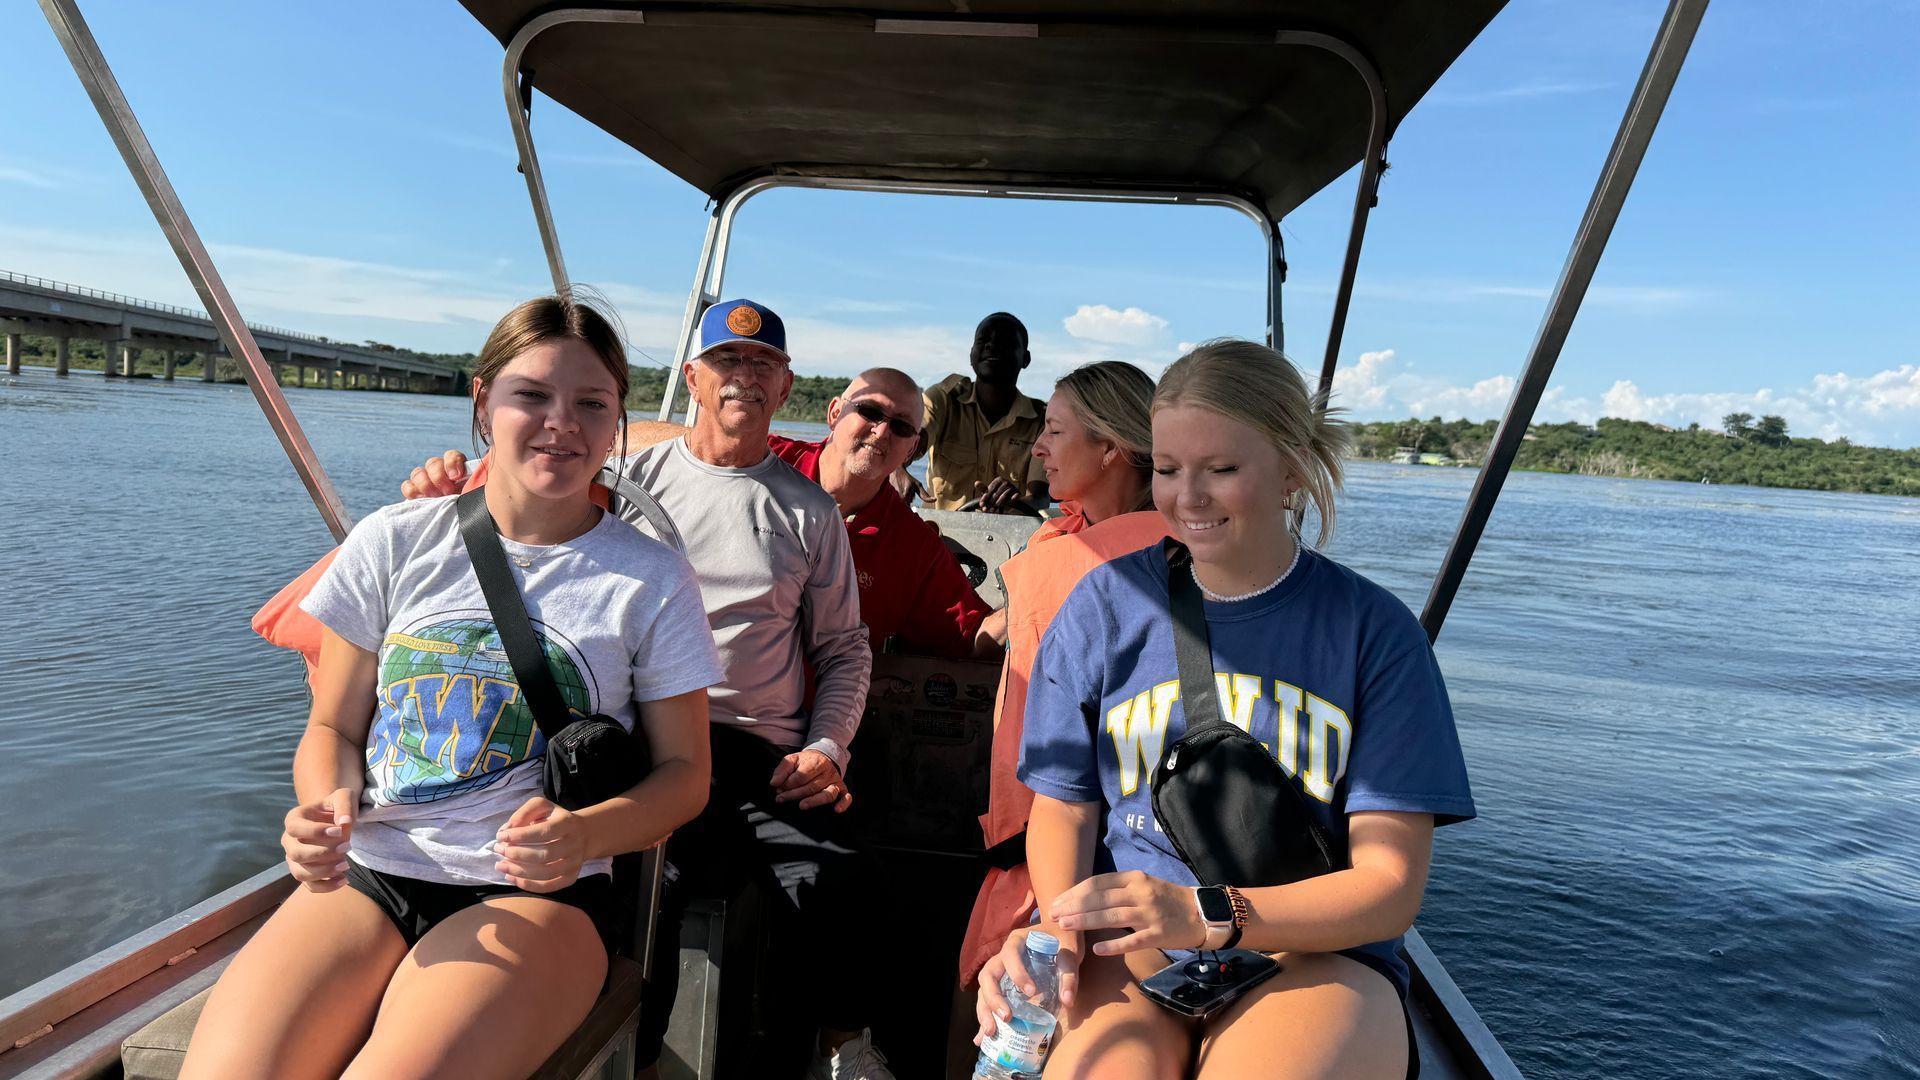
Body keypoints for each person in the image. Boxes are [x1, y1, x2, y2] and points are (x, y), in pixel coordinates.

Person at [181, 295, 721, 1080]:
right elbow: (332, 729)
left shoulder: (651, 578)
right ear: (483, 403)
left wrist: (586, 835)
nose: (561, 423)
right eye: (532, 395)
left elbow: (685, 776)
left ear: (616, 424)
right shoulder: (392, 542)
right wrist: (322, 806)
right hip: (371, 870)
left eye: (590, 404)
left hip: (536, 896)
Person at [403, 299, 891, 1079]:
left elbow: (843, 650)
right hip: (632, 735)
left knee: (835, 878)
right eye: (727, 363)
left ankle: (833, 1046)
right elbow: (522, 499)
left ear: (786, 384)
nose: (745, 378)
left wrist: (826, 747)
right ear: (692, 378)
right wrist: (448, 478)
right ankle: (627, 1053)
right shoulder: (623, 482)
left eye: (762, 365)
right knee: (631, 886)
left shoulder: (808, 512)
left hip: (754, 747)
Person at [976, 340, 1476, 1079]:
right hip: (1135, 943)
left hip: (1308, 951)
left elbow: (1388, 885)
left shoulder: (1374, 634)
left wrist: (1212, 914)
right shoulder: (1104, 607)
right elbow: (1066, 806)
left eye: (1222, 469)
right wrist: (1057, 932)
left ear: (1291, 470)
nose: (1189, 497)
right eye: (1171, 471)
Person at [406, 367, 997, 660]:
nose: (880, 432)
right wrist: (481, 478)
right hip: (650, 696)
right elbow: (641, 444)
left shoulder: (912, 545)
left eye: (901, 427)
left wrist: (1056, 587)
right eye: (869, 411)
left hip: (786, 741)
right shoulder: (764, 460)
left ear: (913, 448)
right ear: (834, 411)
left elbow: (976, 634)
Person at [957, 360, 1169, 992]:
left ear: (1111, 447)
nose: (1038, 446)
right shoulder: (1084, 540)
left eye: (1054, 430)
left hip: (1063, 847)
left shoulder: (1094, 564)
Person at [919, 312, 1049, 514]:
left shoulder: (1042, 420)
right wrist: (898, 468)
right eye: (983, 340)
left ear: (1026, 358)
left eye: (1005, 341)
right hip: (939, 535)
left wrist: (1015, 502)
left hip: (1009, 540)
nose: (991, 345)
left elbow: (1039, 497)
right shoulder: (943, 400)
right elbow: (910, 442)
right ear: (971, 353)